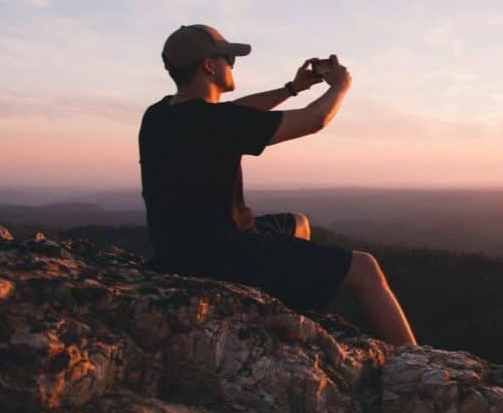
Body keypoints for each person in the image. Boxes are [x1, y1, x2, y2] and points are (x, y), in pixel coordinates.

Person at [138, 24, 416, 347]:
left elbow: (236, 111)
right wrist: (340, 87)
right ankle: (418, 367)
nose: (232, 64)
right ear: (208, 66)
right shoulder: (215, 123)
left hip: (177, 250)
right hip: (221, 257)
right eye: (228, 57)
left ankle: (289, 301)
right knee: (366, 269)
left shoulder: (158, 115)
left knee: (297, 224)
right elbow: (314, 119)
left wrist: (291, 87)